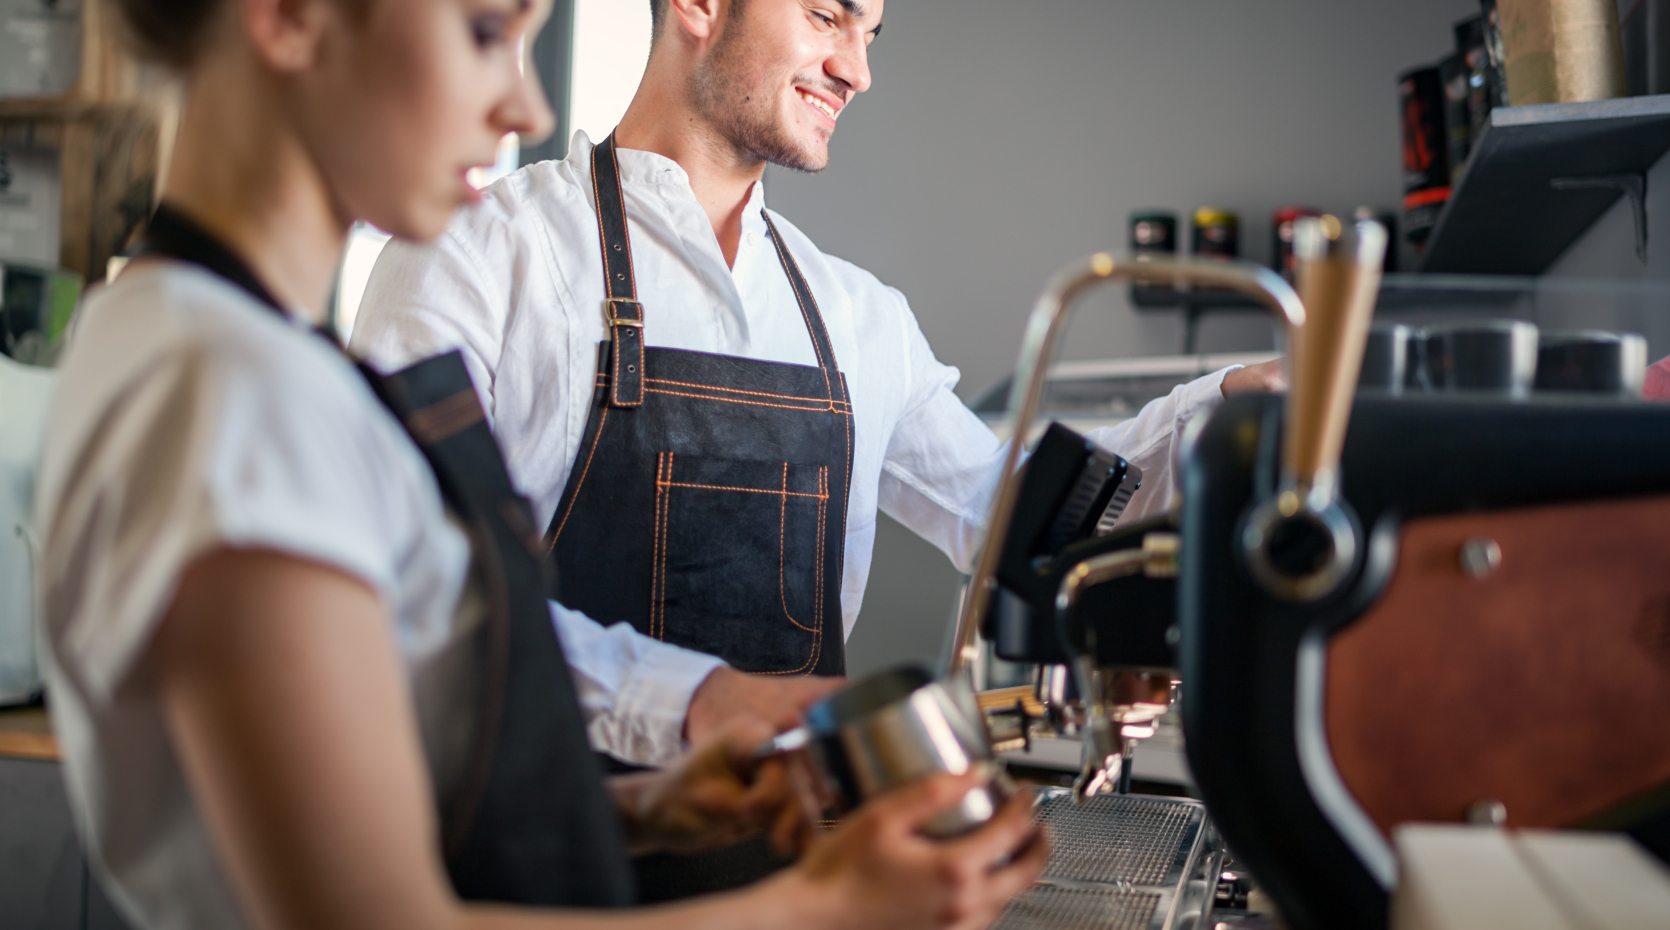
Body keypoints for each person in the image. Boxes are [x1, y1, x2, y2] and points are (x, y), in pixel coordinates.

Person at [32, 0, 1047, 927]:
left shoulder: (196, 340)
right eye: (483, 30)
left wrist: (646, 809)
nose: (522, 101)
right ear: (292, 17)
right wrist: (823, 910)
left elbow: (393, 789)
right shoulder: (234, 394)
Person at [352, 0, 1283, 778]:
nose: (857, 70)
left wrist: (1237, 398)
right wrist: (701, 704)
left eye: (872, 35)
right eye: (828, 15)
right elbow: (413, 594)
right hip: (534, 862)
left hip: (784, 855)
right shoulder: (471, 256)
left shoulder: (858, 317)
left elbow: (1020, 521)